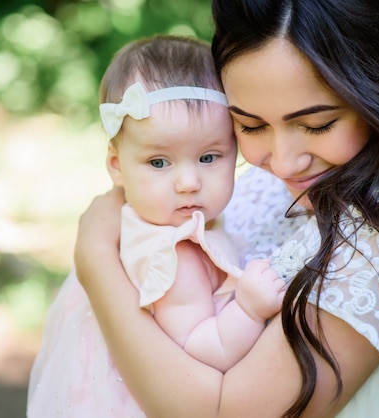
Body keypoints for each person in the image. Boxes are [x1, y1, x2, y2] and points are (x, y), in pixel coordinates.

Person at [73, 1, 379, 417]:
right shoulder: (262, 186)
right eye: (251, 125)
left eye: (318, 124)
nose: (282, 162)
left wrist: (96, 261)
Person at [26, 35, 285, 417]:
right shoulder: (175, 253)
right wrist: (248, 309)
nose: (188, 182)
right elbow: (201, 346)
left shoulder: (156, 223)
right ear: (116, 165)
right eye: (159, 163)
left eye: (209, 157)